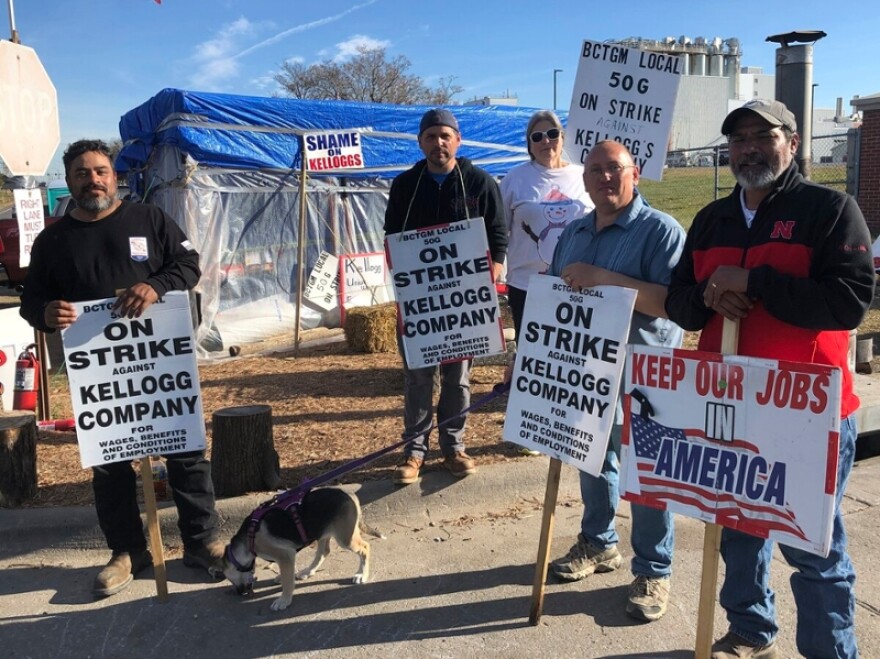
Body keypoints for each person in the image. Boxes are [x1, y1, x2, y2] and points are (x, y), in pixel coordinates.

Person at [665, 99, 874, 659]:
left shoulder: (829, 209)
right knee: (737, 528)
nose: (750, 148)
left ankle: (830, 651)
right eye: (738, 139)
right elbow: (682, 305)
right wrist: (710, 293)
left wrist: (755, 282)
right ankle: (750, 630)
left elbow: (849, 302)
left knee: (813, 547)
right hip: (730, 405)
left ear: (793, 141)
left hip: (808, 410)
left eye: (763, 135)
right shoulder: (711, 220)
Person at [19, 139, 225, 598]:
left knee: (184, 450)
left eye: (100, 171)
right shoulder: (52, 240)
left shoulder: (149, 219)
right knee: (110, 463)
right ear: (69, 181)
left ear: (115, 176)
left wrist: (154, 286)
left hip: (160, 363)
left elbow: (188, 265)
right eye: (81, 173)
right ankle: (128, 551)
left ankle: (202, 541)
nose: (92, 179)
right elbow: (31, 301)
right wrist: (46, 311)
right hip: (99, 372)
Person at [546, 140, 685, 623]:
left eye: (615, 169)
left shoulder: (661, 231)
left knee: (646, 471)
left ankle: (654, 568)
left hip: (646, 369)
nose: (605, 178)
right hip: (586, 367)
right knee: (590, 453)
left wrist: (600, 277)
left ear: (636, 173)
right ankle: (600, 542)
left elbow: (671, 303)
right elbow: (552, 293)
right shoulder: (574, 231)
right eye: (596, 170)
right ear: (583, 180)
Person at [384, 109, 507, 485]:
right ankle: (415, 452)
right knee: (418, 377)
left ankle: (454, 447)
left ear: (458, 140)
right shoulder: (406, 184)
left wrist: (495, 269)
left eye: (445, 136)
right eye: (431, 136)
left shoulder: (480, 182)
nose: (439, 143)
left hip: (464, 302)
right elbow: (392, 236)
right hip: (422, 303)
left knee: (457, 379)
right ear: (420, 142)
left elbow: (498, 233)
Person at [500, 109, 594, 337]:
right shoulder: (514, 178)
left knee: (572, 348)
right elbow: (499, 229)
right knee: (531, 349)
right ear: (529, 145)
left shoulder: (584, 175)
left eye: (552, 133)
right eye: (537, 136)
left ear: (562, 138)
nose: (545, 141)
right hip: (527, 284)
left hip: (578, 283)